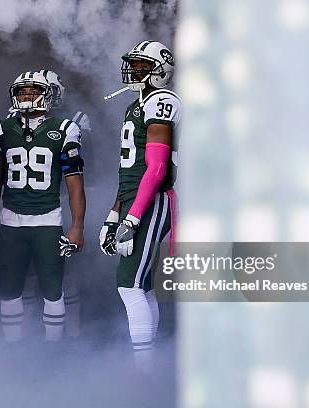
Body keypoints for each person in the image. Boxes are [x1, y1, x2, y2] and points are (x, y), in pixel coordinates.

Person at [0, 71, 86, 343]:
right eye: (22, 92)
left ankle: (54, 350)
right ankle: (13, 349)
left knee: (53, 290)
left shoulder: (64, 129)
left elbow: (74, 182)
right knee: (9, 290)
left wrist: (77, 226)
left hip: (48, 223)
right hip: (11, 223)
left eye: (33, 91)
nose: (26, 97)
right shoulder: (0, 129)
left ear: (47, 94)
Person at [100, 41, 180, 372]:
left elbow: (157, 168)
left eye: (142, 66)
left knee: (128, 283)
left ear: (159, 71)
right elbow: (129, 171)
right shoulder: (136, 105)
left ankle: (143, 370)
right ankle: (149, 361)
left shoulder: (162, 101)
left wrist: (132, 219)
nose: (133, 71)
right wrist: (114, 214)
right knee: (142, 285)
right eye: (133, 64)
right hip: (135, 198)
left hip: (153, 199)